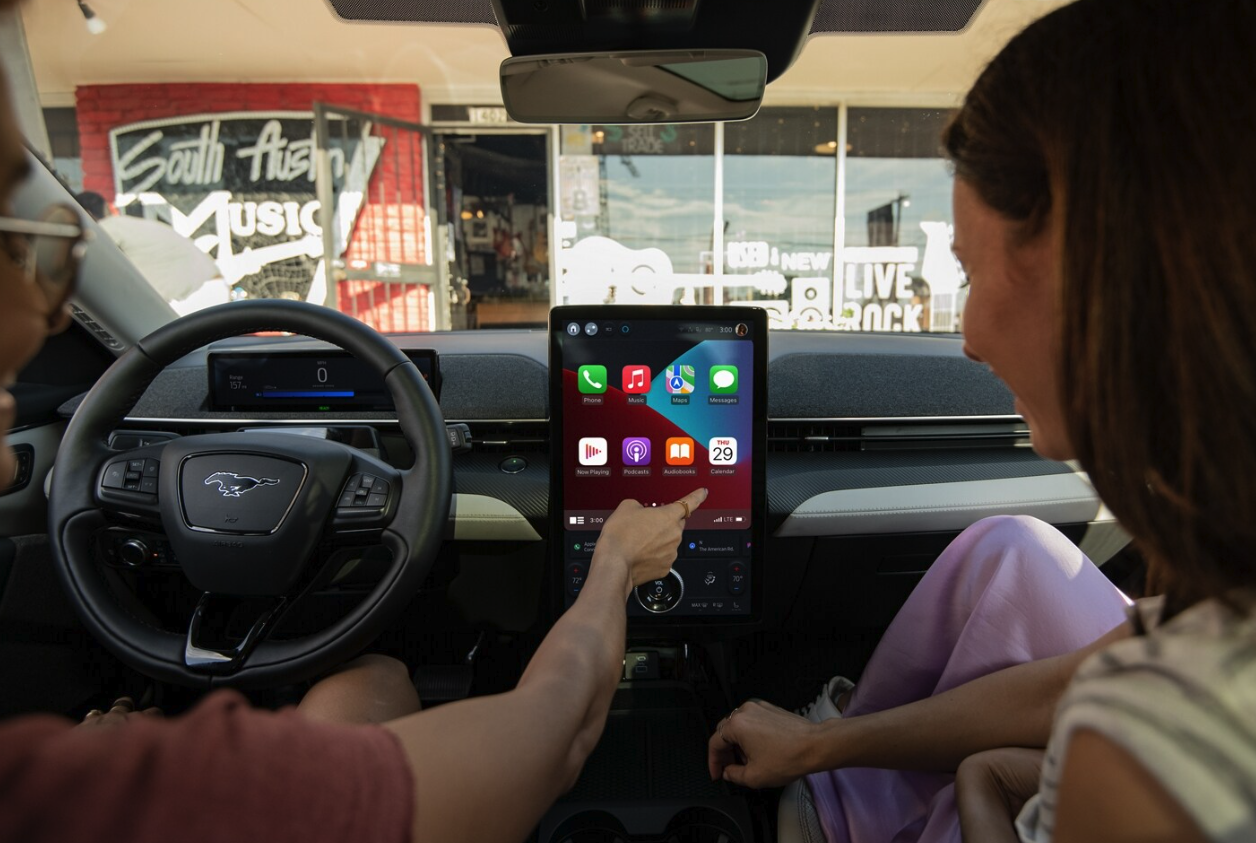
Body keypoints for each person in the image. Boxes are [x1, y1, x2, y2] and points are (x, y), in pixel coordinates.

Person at [0, 23, 710, 841]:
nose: (24, 363)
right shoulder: (153, 797)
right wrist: (614, 563)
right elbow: (552, 739)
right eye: (39, 258)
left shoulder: (71, 785)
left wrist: (107, 757)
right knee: (370, 675)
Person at [709, 1, 1256, 842]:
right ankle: (843, 787)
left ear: (1095, 272)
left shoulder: (1140, 748)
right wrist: (822, 744)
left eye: (969, 270)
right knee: (1011, 545)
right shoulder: (1205, 604)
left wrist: (982, 795)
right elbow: (1085, 672)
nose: (966, 337)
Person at [75, 189, 232, 315]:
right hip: (212, 291)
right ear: (107, 208)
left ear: (87, 214)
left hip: (191, 299)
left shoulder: (107, 227)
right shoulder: (130, 225)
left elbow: (85, 264)